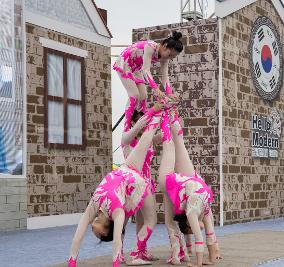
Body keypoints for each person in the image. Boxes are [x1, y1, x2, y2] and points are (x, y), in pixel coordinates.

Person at [67, 103, 164, 267]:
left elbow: (79, 232)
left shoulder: (95, 204)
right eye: (95, 230)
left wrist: (72, 260)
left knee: (146, 139)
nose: (91, 224)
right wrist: (115, 263)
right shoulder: (117, 212)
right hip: (134, 177)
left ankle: (159, 111)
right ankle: (160, 112)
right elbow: (117, 240)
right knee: (145, 139)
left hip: (124, 170)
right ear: (105, 231)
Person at [158, 107, 221, 266]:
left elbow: (201, 235)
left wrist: (199, 264)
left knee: (169, 145)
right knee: (177, 141)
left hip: (169, 181)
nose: (195, 230)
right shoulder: (203, 209)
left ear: (188, 222)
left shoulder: (192, 211)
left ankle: (167, 110)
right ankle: (170, 109)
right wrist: (213, 257)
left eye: (191, 229)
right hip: (188, 180)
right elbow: (210, 232)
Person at [113, 31, 183, 133]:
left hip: (136, 68)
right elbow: (146, 70)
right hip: (126, 63)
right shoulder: (150, 46)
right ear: (165, 46)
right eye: (169, 54)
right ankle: (127, 127)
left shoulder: (164, 58)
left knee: (144, 96)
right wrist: (156, 89)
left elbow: (165, 76)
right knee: (134, 95)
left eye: (172, 57)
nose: (169, 58)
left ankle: (139, 122)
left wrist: (169, 93)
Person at [121, 109, 162, 262]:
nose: (146, 125)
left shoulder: (148, 139)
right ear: (133, 122)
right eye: (142, 121)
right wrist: (138, 125)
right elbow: (129, 134)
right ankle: (119, 252)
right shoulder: (127, 139)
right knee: (123, 220)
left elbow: (164, 136)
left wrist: (169, 116)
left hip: (146, 183)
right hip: (131, 183)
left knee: (144, 220)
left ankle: (140, 250)